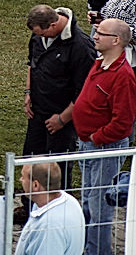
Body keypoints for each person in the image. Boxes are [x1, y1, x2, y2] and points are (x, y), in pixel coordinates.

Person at [18, 5, 95, 222]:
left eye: (42, 34)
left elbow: (84, 90)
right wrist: (28, 93)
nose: (39, 38)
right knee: (31, 161)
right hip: (38, 114)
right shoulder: (38, 36)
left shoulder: (81, 46)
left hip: (62, 119)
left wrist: (62, 119)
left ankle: (57, 215)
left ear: (53, 25)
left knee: (58, 168)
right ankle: (29, 207)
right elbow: (32, 64)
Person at [74, 18, 136, 255]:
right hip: (89, 144)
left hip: (104, 148)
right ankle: (88, 248)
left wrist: (96, 137)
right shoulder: (100, 63)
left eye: (101, 33)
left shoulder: (123, 76)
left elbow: (123, 123)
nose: (95, 36)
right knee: (88, 200)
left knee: (99, 207)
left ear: (116, 40)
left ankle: (98, 252)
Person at [14, 161, 87, 255]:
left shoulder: (49, 228)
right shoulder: (69, 201)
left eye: (23, 177)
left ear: (35, 185)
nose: (20, 179)